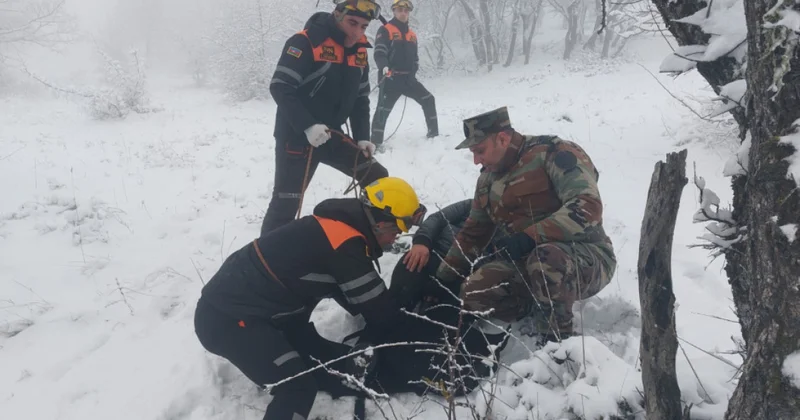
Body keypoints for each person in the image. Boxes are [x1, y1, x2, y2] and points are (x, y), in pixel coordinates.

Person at [194, 177, 427, 420]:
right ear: (379, 222)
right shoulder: (344, 247)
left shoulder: (337, 228)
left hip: (268, 313)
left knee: (330, 363)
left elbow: (360, 302)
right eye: (395, 231)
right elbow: (381, 312)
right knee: (298, 387)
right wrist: (424, 337)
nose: (394, 240)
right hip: (228, 319)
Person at [435, 106, 617, 342]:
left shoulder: (553, 153)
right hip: (527, 263)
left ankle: (557, 344)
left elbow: (587, 206)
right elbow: (473, 233)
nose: (475, 160)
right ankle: (538, 307)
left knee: (544, 260)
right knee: (474, 292)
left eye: (480, 151)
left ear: (502, 138)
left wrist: (531, 236)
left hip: (585, 257)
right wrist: (442, 280)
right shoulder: (487, 179)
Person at [262, 0, 388, 237]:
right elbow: (280, 86)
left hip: (331, 134)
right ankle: (266, 264)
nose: (357, 31)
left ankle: (374, 234)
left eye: (363, 26)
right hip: (296, 138)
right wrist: (308, 126)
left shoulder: (360, 50)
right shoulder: (307, 41)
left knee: (375, 175)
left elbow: (361, 99)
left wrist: (362, 137)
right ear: (337, 14)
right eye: (352, 23)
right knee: (285, 205)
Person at [370, 0, 438, 149]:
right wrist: (384, 67)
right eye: (400, 10)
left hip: (408, 80)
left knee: (428, 99)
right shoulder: (385, 30)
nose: (403, 13)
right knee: (382, 112)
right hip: (391, 79)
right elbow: (379, 53)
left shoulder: (412, 35)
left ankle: (434, 135)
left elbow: (415, 58)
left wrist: (413, 72)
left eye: (406, 11)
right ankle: (375, 143)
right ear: (394, 11)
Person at [388, 198, 473, 310]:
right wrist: (422, 241)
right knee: (407, 271)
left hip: (461, 274)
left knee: (442, 314)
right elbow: (437, 218)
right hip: (433, 254)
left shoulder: (503, 229)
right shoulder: (470, 205)